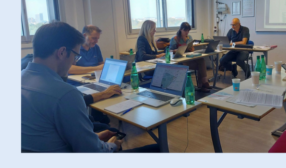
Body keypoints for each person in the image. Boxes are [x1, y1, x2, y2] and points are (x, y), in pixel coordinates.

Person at [22, 21, 159, 152]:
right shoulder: (65, 95)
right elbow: (92, 152)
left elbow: (51, 132)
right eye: (75, 56)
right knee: (157, 149)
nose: (74, 61)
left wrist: (95, 138)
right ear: (62, 52)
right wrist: (111, 145)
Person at [169, 22, 212, 92]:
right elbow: (170, 51)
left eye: (188, 31)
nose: (187, 32)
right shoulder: (174, 39)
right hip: (180, 61)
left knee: (201, 60)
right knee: (201, 66)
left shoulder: (189, 37)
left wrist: (191, 49)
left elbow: (192, 49)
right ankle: (203, 84)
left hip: (188, 59)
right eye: (185, 30)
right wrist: (177, 50)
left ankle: (203, 84)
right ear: (180, 29)